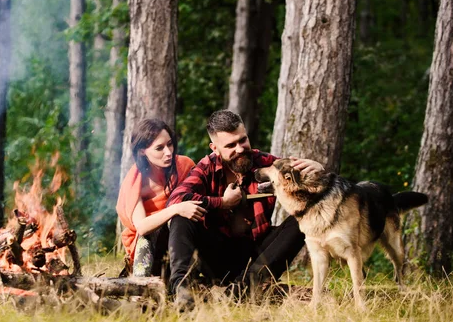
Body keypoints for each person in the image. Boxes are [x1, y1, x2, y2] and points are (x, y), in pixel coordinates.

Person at [167, 110, 323, 307]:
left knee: (307, 214)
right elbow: (176, 199)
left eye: (242, 140)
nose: (240, 149)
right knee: (182, 213)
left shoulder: (266, 163)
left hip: (258, 258)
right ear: (215, 148)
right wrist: (221, 203)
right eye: (230, 145)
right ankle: (183, 291)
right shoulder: (206, 168)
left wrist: (317, 168)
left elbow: (312, 186)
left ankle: (241, 291)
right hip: (216, 257)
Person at [116, 118, 207, 277]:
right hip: (151, 247)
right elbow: (142, 227)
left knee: (184, 222)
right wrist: (176, 209)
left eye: (170, 144)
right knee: (149, 233)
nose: (168, 152)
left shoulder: (185, 165)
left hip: (184, 240)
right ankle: (140, 287)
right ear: (142, 151)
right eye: (159, 148)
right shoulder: (136, 181)